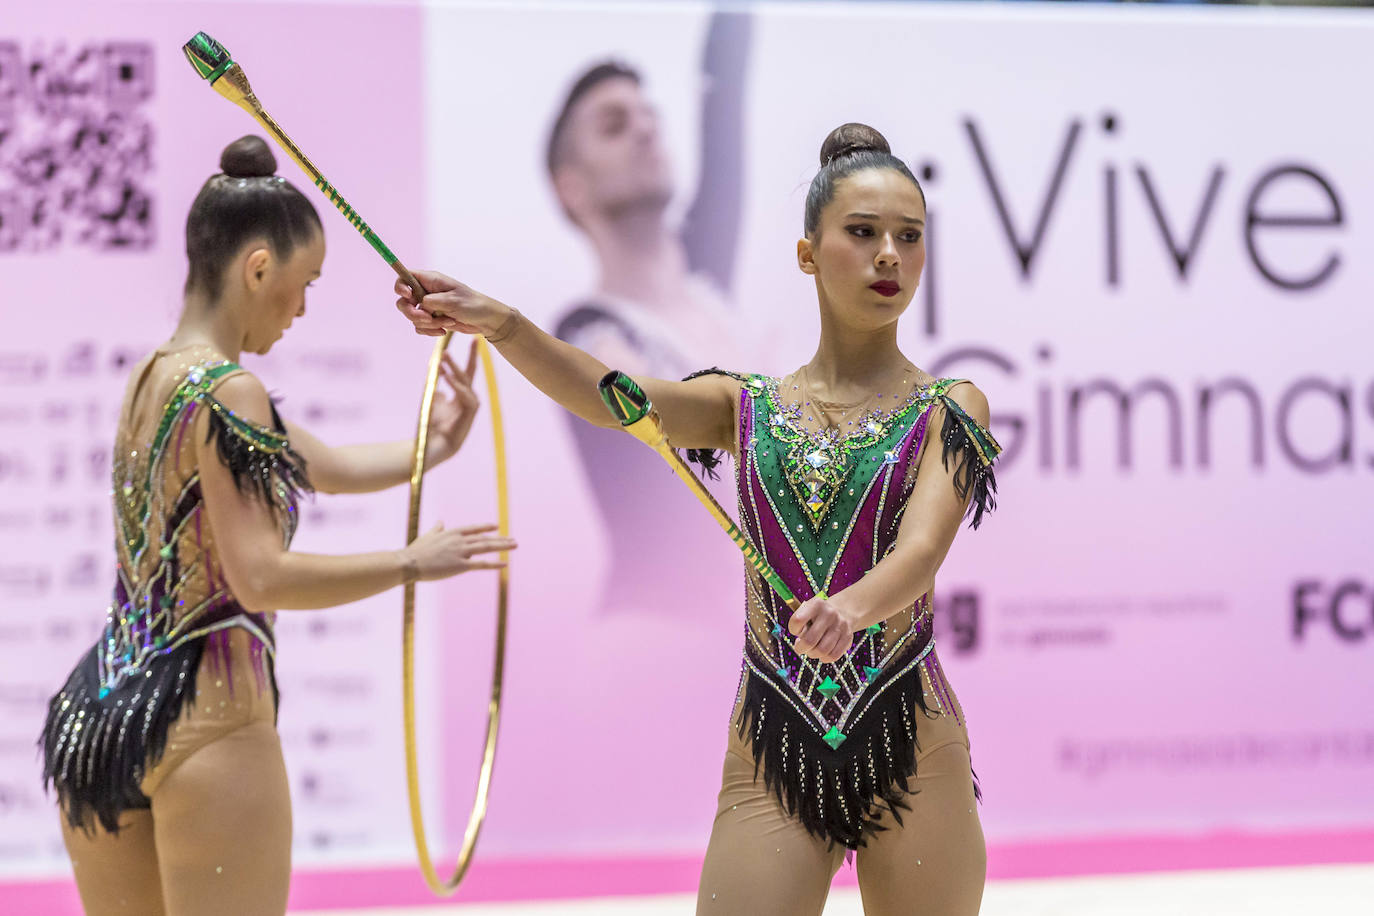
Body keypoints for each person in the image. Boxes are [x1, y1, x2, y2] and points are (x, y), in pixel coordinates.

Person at [399, 123, 997, 915]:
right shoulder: (741, 406)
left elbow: (922, 551)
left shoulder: (951, 408)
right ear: (808, 253)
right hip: (777, 741)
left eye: (909, 237)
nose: (889, 254)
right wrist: (503, 324)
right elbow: (613, 399)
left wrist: (851, 609)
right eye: (862, 233)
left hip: (909, 740)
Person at [39, 135, 515, 916]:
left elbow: (318, 464)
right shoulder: (234, 389)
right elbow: (261, 577)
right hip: (207, 717)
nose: (301, 309)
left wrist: (436, 444)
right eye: (304, 285)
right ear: (258, 267)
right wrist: (410, 562)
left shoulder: (153, 376)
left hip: (104, 718)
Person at [544, 13, 752, 615]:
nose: (644, 131)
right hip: (658, 641)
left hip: (752, 632)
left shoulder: (707, 284)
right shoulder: (586, 336)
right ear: (571, 187)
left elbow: (726, 99)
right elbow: (693, 484)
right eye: (614, 126)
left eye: (650, 116)